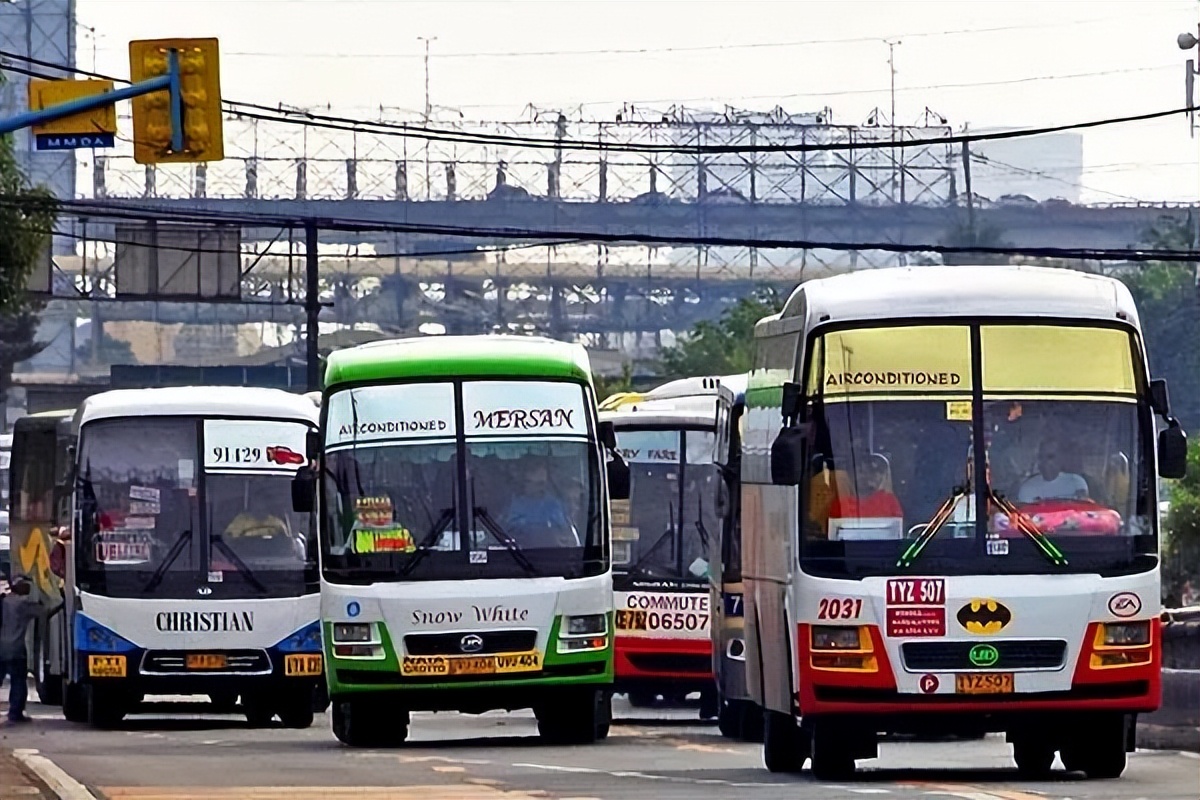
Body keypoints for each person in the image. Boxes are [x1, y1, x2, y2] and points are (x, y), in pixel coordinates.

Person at [0, 577, 48, 724]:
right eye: (26, 586)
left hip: (1, 647)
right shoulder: (23, 604)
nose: (28, 589)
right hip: (16, 649)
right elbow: (44, 611)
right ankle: (15, 713)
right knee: (19, 681)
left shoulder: (4, 602)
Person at [501, 463, 577, 547]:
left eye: (541, 483)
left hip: (549, 551)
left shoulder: (554, 505)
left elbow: (562, 531)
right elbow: (505, 530)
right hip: (518, 552)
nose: (539, 487)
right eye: (530, 482)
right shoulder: (514, 503)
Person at [828, 453, 903, 519]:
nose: (866, 476)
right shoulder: (840, 505)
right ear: (851, 476)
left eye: (871, 471)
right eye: (861, 471)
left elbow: (898, 531)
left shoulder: (889, 501)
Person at [1017, 439, 1089, 504]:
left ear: (1060, 459)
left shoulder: (1076, 483)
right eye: (1041, 457)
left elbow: (1082, 512)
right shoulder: (1027, 488)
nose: (1045, 461)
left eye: (1050, 457)